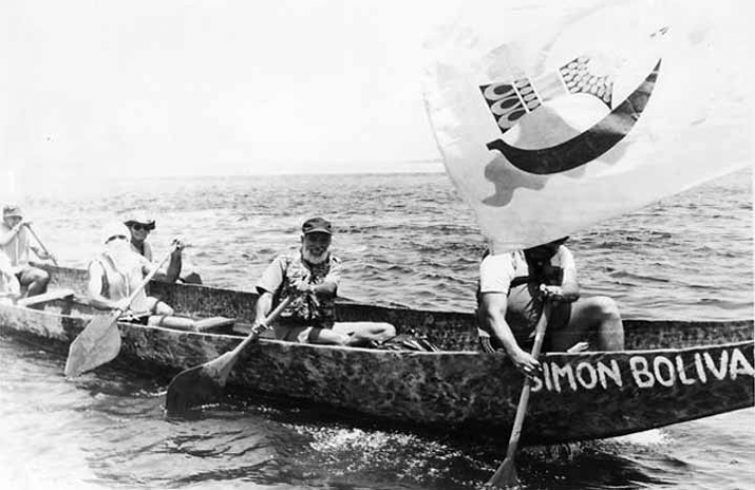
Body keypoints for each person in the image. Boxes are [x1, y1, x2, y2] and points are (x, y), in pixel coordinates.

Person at [477, 237, 624, 377]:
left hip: (547, 333)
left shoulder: (561, 252)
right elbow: (493, 314)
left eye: (555, 245)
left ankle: (618, 376)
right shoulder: (500, 257)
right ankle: (555, 357)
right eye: (545, 246)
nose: (550, 251)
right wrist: (516, 355)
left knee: (606, 307)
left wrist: (560, 292)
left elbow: (573, 289)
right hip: (504, 342)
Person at [252, 217, 396, 346]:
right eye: (313, 239)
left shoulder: (333, 263)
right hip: (289, 330)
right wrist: (260, 318)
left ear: (330, 242)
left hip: (324, 326)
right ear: (303, 240)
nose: (318, 245)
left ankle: (362, 343)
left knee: (387, 330)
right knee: (341, 340)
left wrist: (308, 288)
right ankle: (351, 343)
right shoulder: (284, 262)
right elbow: (267, 295)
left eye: (323, 240)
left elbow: (329, 288)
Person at [87, 222, 194, 329]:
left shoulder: (137, 259)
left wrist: (176, 256)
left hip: (142, 318)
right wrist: (115, 305)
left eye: (121, 237)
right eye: (112, 238)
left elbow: (169, 278)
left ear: (127, 240)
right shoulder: (98, 265)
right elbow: (92, 298)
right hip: (116, 321)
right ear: (106, 242)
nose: (118, 241)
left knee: (188, 324)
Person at [123, 210, 202, 284]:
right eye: (137, 227)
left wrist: (176, 255)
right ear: (128, 229)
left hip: (147, 283)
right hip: (133, 290)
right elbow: (167, 278)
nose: (142, 230)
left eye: (146, 227)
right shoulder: (126, 250)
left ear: (149, 231)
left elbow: (166, 275)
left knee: (193, 277)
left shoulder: (146, 246)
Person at [0, 204, 53, 297]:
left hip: (22, 270)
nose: (16, 221)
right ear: (5, 219)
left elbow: (39, 253)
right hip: (4, 273)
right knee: (10, 287)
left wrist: (47, 255)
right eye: (12, 218)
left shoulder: (25, 230)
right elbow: (3, 241)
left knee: (43, 276)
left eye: (18, 218)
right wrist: (16, 228)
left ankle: (28, 303)